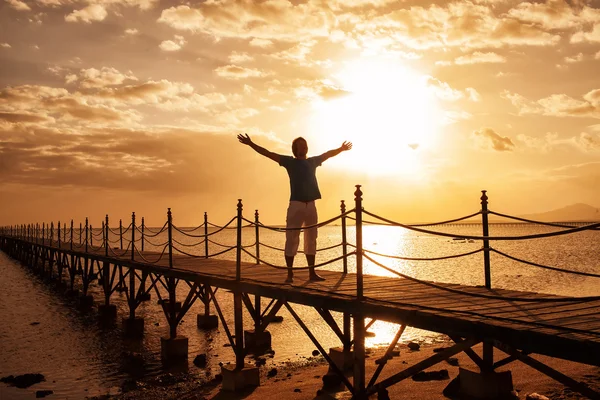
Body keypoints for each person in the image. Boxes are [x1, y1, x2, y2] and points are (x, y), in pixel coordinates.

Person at [237, 133, 352, 283]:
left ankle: (312, 273)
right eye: (300, 145)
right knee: (292, 239)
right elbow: (268, 153)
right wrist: (251, 144)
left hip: (311, 205)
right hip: (296, 205)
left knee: (312, 238)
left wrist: (341, 149)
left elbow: (327, 154)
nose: (303, 147)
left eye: (305, 145)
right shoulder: (289, 162)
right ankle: (290, 275)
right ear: (295, 149)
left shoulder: (312, 162)